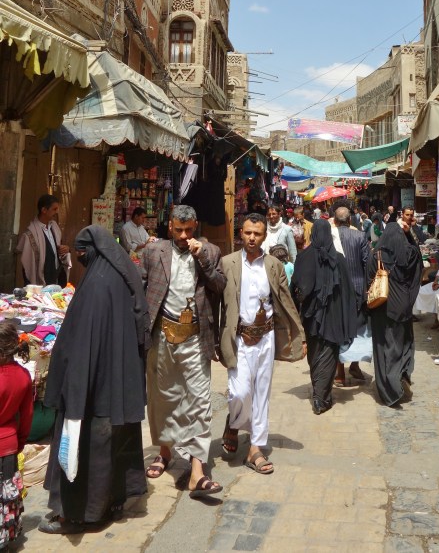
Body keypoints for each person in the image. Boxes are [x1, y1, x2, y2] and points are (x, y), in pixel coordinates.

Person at [40, 226, 150, 533]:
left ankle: (77, 515)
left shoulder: (97, 285)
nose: (80, 258)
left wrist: (72, 389)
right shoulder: (121, 278)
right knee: (115, 441)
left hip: (93, 388)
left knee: (88, 445)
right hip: (119, 383)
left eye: (81, 252)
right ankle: (113, 504)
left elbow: (82, 342)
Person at [140, 204, 226, 499]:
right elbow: (140, 287)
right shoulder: (154, 252)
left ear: (196, 226)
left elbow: (219, 286)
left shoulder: (210, 251)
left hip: (195, 339)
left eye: (189, 230)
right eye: (178, 230)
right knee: (164, 398)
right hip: (163, 336)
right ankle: (164, 452)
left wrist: (201, 256)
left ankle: (198, 472)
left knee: (200, 401)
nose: (184, 236)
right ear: (170, 227)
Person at [219, 214, 305, 474]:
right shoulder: (228, 263)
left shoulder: (274, 265)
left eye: (257, 234)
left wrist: (298, 334)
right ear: (240, 234)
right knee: (239, 392)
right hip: (238, 339)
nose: (252, 238)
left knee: (261, 393)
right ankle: (233, 424)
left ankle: (255, 449)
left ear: (265, 236)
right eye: (247, 233)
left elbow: (285, 301)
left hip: (265, 337)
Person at [293, 220, 357, 415]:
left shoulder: (304, 257)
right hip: (333, 316)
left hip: (311, 316)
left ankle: (319, 394)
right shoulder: (338, 259)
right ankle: (321, 398)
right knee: (328, 354)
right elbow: (348, 292)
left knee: (315, 354)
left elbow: (297, 286)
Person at [367, 222, 422, 407]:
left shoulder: (377, 255)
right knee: (402, 343)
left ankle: (389, 390)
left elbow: (369, 280)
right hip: (403, 308)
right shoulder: (411, 254)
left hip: (382, 308)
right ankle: (401, 376)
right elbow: (418, 276)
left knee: (384, 347)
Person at [0, 321, 33, 548]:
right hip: (10, 444)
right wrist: (20, 441)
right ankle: (7, 537)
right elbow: (27, 416)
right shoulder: (23, 376)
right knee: (6, 493)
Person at [332, 207, 372, 385]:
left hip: (336, 289)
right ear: (350, 221)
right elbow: (367, 263)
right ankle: (354, 365)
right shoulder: (360, 236)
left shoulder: (330, 237)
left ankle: (340, 372)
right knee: (357, 329)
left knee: (338, 328)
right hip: (357, 289)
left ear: (334, 221)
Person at [16, 194, 71, 287]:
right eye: (54, 209)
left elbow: (58, 248)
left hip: (55, 276)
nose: (57, 212)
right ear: (44, 210)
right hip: (40, 279)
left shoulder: (54, 227)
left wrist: (66, 249)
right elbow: (28, 264)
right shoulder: (30, 235)